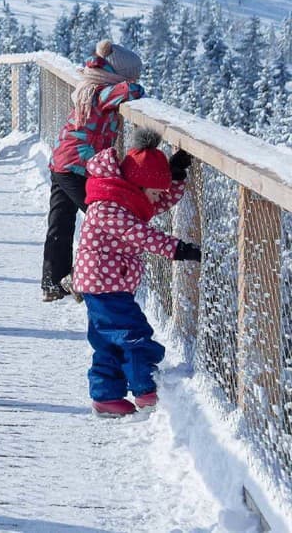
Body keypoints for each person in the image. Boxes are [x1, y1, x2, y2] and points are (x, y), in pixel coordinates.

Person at [72, 129, 197, 416]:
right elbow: (139, 233)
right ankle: (146, 390)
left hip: (102, 282)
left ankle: (106, 397)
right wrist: (179, 249)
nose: (158, 198)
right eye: (155, 191)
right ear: (139, 185)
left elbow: (156, 202)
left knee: (107, 342)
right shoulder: (108, 208)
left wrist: (175, 176)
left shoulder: (124, 196)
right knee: (133, 334)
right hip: (105, 284)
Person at [44, 38, 145, 301]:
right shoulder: (101, 92)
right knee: (104, 220)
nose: (135, 79)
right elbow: (133, 91)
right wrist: (132, 83)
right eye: (132, 74)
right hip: (76, 167)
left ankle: (53, 282)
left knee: (61, 223)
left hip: (63, 162)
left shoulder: (89, 85)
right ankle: (80, 278)